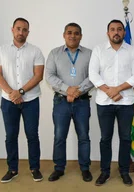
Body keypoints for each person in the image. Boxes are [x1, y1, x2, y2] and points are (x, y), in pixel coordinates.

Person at [88, 19, 134, 186]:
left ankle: (124, 171)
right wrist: (109, 91)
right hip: (104, 103)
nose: (116, 32)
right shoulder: (98, 50)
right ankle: (105, 172)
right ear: (108, 33)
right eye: (112, 29)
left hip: (126, 102)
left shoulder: (132, 51)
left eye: (119, 29)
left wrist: (116, 89)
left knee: (126, 138)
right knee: (105, 138)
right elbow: (93, 74)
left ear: (124, 33)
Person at [0, 17, 45, 183]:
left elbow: (38, 76)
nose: (21, 32)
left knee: (32, 135)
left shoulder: (35, 51)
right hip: (8, 101)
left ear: (28, 32)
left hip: (31, 100)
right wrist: (11, 93)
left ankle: (34, 168)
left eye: (24, 30)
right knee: (11, 136)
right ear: (12, 29)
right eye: (18, 28)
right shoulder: (1, 50)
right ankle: (12, 169)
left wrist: (21, 91)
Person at [45, 23, 93, 182]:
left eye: (76, 33)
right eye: (69, 33)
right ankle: (59, 168)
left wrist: (78, 90)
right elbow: (50, 76)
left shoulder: (89, 54)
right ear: (64, 35)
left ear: (81, 36)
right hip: (61, 102)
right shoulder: (54, 53)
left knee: (84, 136)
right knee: (59, 136)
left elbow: (94, 76)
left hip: (82, 102)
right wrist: (68, 90)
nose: (73, 36)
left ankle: (85, 168)